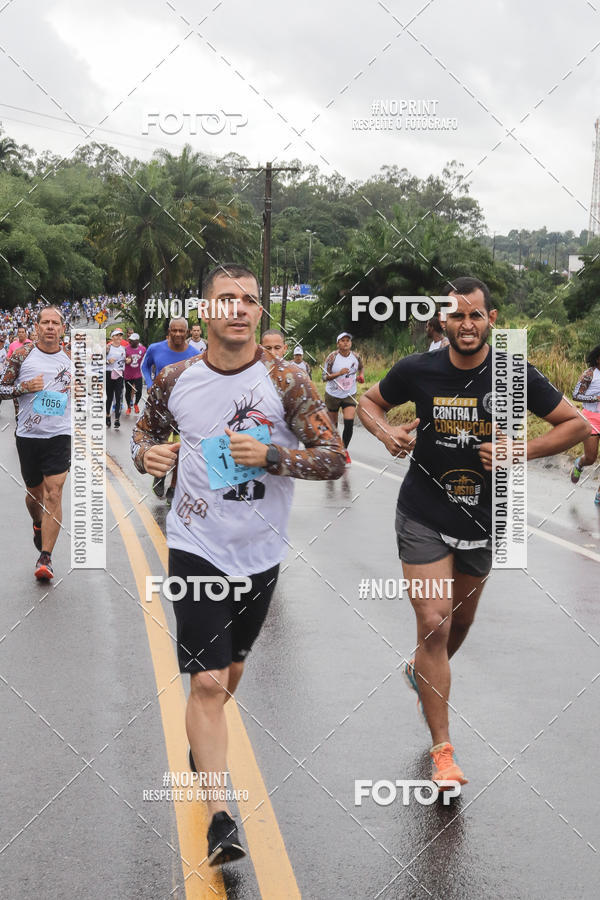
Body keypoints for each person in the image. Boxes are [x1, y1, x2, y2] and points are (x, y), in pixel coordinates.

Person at [131, 263, 345, 866]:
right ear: (206, 311)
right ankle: (221, 815)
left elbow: (334, 458)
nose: (239, 309)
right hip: (195, 542)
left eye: (249, 300)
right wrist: (147, 453)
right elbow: (141, 433)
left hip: (260, 553)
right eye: (226, 299)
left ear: (258, 313)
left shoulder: (289, 380)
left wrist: (275, 455)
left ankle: (207, 743)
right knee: (205, 680)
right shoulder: (175, 378)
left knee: (229, 675)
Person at [357, 276, 588, 788]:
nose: (466, 324)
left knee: (458, 626)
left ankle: (422, 672)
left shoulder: (511, 374)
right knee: (435, 624)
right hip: (423, 512)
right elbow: (367, 404)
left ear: (492, 320)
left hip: (486, 517)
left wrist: (518, 451)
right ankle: (443, 751)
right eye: (456, 316)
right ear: (442, 321)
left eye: (475, 315)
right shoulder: (416, 369)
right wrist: (386, 431)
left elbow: (576, 426)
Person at [0, 305, 73, 580]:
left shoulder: (72, 357)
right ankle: (37, 523)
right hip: (29, 437)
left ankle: (46, 558)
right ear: (37, 328)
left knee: (54, 493)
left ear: (63, 329)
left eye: (56, 323)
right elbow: (1, 388)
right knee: (35, 496)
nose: (51, 327)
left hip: (59, 435)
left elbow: (88, 390)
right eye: (46, 322)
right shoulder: (22, 354)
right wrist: (23, 388)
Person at [141, 318, 200, 501]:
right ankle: (160, 475)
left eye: (181, 331)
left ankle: (174, 486)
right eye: (174, 330)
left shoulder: (195, 354)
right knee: (162, 442)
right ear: (169, 331)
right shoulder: (155, 348)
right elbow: (145, 366)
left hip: (185, 407)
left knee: (182, 445)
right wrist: (150, 384)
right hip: (160, 406)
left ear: (188, 332)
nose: (177, 334)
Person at [322, 332, 364, 465]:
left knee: (349, 423)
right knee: (333, 425)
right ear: (338, 344)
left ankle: (344, 450)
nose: (346, 342)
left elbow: (361, 368)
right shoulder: (332, 357)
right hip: (333, 394)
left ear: (351, 343)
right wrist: (338, 373)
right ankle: (334, 448)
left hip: (349, 394)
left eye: (348, 340)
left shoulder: (356, 356)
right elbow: (324, 377)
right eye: (343, 340)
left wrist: (361, 376)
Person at [570, 344, 600, 503]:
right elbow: (575, 395)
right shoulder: (590, 374)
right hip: (591, 418)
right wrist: (596, 398)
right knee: (591, 457)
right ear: (597, 359)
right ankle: (580, 464)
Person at [106, 328, 126, 428]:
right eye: (116, 335)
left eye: (120, 335)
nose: (119, 337)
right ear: (112, 337)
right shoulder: (107, 348)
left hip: (119, 374)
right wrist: (108, 361)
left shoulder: (123, 349)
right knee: (109, 397)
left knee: (118, 397)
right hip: (109, 373)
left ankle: (117, 419)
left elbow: (124, 362)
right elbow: (98, 361)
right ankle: (108, 416)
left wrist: (128, 360)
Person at [123, 332, 146, 415]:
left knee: (139, 391)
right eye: (130, 340)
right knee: (128, 391)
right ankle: (129, 407)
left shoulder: (143, 349)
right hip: (128, 374)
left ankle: (136, 404)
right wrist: (126, 360)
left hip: (138, 373)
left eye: (132, 340)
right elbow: (121, 359)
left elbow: (145, 360)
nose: (130, 342)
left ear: (137, 341)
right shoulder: (126, 349)